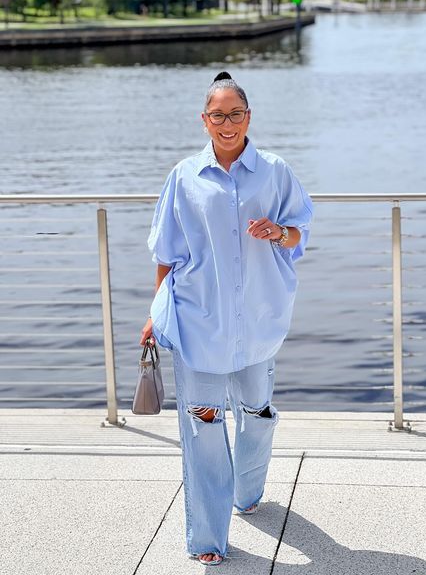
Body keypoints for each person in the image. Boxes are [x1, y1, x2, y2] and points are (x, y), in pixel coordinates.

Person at [140, 71, 313, 566]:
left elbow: (301, 230)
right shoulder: (184, 177)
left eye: (236, 113)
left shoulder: (275, 171)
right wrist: (156, 312)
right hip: (199, 321)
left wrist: (279, 233)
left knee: (257, 413)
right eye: (218, 114)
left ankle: (247, 490)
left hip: (258, 320)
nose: (227, 122)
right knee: (204, 426)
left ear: (249, 117)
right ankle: (207, 538)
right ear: (204, 120)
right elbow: (167, 254)